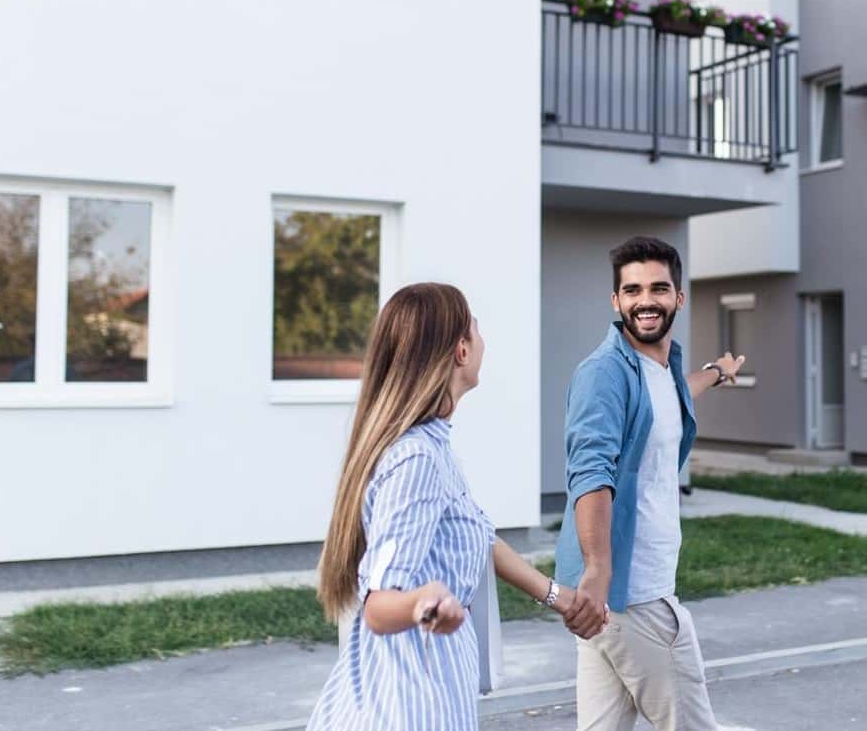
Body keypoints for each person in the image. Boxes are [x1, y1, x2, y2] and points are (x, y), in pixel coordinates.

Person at [307, 282, 585, 731]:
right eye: (476, 327)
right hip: (409, 703)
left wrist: (557, 597)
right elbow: (379, 605)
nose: (481, 339)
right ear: (460, 350)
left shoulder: (433, 448)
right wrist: (423, 603)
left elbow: (479, 535)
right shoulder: (416, 459)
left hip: (429, 688)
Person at [554, 237, 746, 731]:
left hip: (613, 602)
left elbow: (677, 393)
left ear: (678, 298)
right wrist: (598, 571)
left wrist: (718, 373)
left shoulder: (658, 370)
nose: (646, 300)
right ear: (616, 301)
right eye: (632, 290)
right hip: (633, 594)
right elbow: (590, 473)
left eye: (659, 288)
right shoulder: (605, 373)